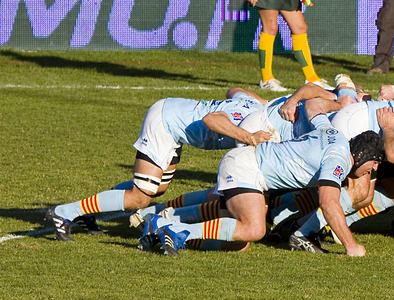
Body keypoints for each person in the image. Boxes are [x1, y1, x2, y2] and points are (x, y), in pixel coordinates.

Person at [45, 94, 269, 241]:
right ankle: (64, 212)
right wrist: (248, 136)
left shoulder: (259, 106)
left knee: (157, 189)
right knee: (140, 198)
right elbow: (212, 119)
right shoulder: (248, 118)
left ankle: (88, 212)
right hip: (165, 123)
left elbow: (234, 90)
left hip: (172, 123)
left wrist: (264, 102)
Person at [144, 127, 385, 256]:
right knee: (254, 228)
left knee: (239, 243)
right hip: (247, 168)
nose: (373, 169)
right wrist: (351, 245)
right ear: (363, 154)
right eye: (374, 162)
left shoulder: (335, 135)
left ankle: (161, 223)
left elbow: (315, 112)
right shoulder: (339, 160)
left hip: (249, 166)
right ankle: (176, 230)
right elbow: (329, 203)